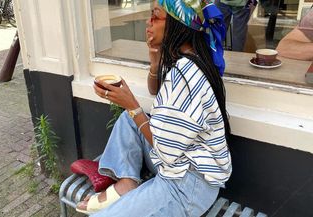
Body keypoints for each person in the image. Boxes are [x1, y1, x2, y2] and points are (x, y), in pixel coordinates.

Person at [76, 0, 232, 216]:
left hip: (186, 187)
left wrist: (131, 104)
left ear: (178, 23)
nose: (147, 23)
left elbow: (165, 152)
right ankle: (126, 182)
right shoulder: (192, 57)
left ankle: (122, 186)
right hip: (182, 163)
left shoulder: (184, 77)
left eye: (155, 16)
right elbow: (155, 91)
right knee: (129, 120)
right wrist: (155, 60)